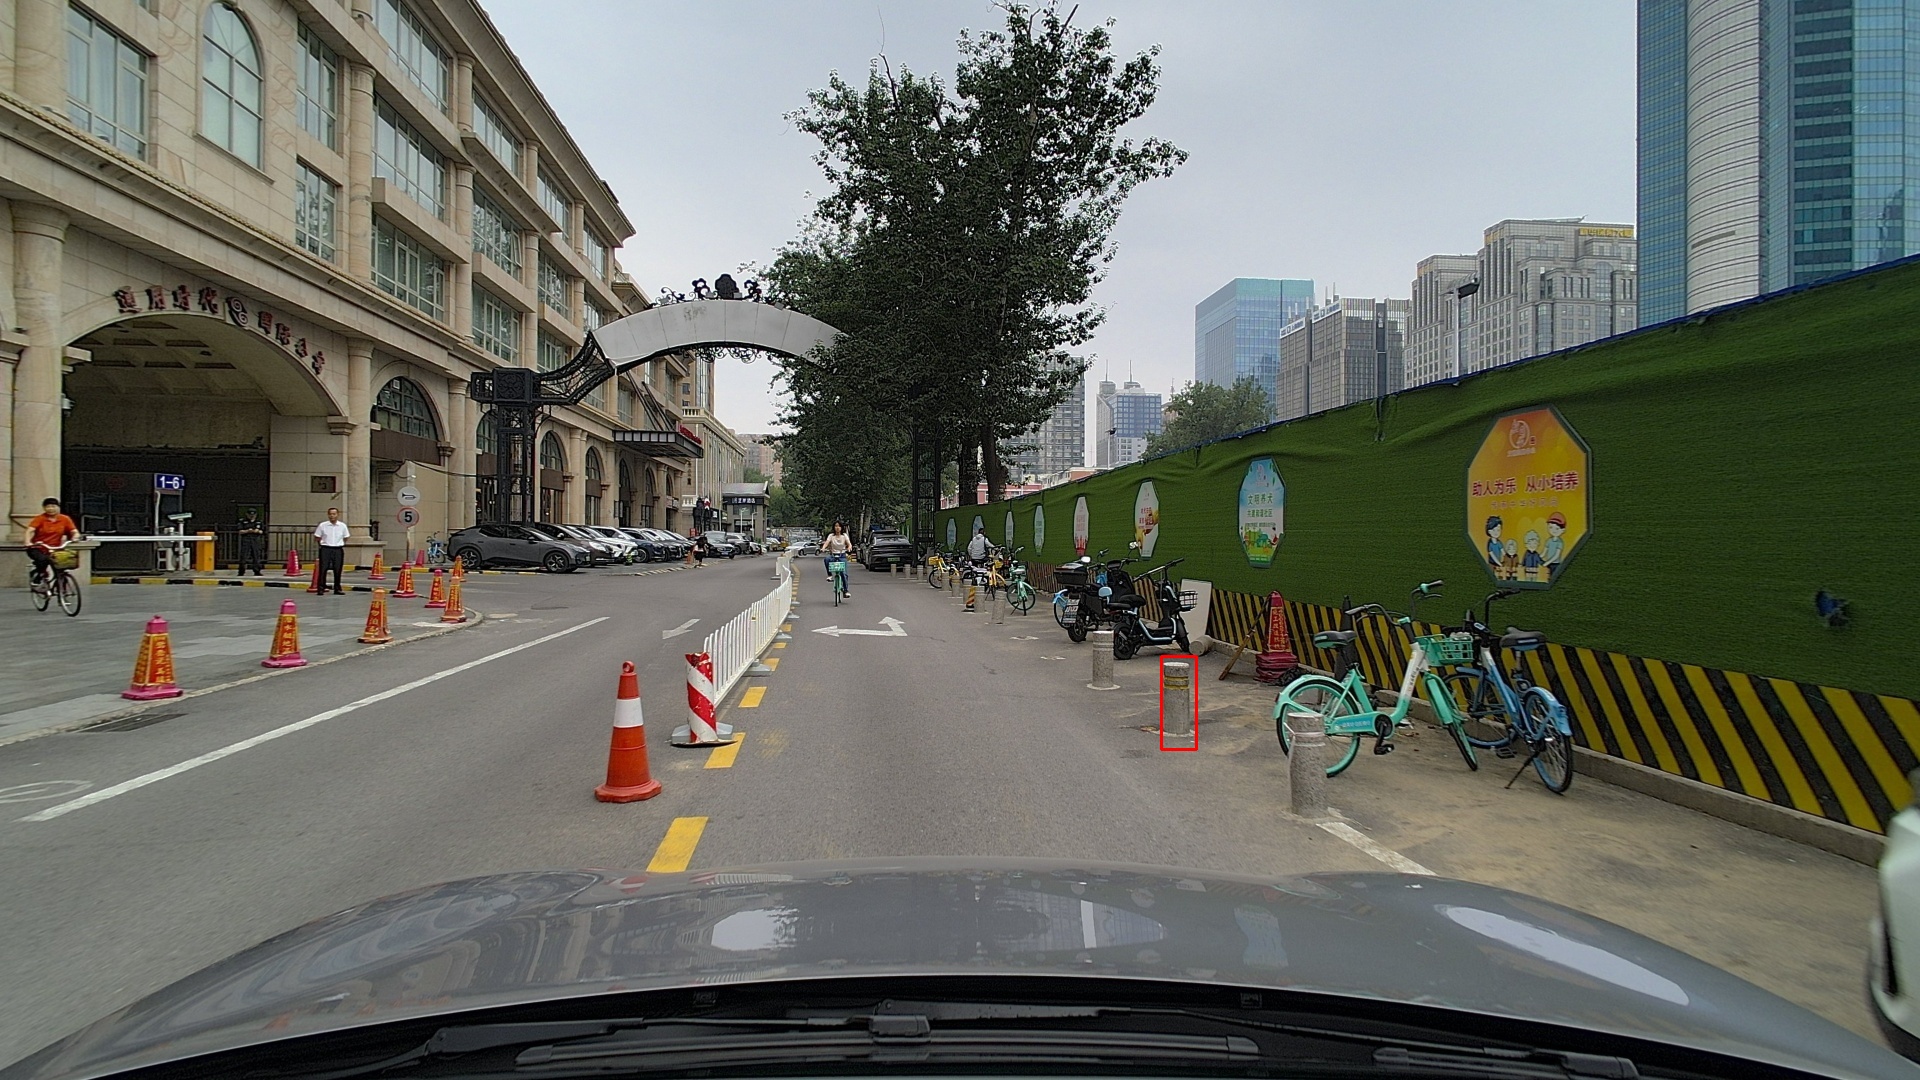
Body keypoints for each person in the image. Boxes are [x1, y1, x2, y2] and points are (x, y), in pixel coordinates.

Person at [23, 498, 80, 586]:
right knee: (43, 560)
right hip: (38, 547)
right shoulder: (40, 519)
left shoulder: (65, 519)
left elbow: (74, 531)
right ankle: (39, 575)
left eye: (53, 506)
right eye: (48, 506)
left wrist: (75, 537)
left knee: (62, 564)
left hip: (55, 547)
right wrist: (28, 542)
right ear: (44, 508)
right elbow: (30, 530)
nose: (50, 509)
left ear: (58, 507)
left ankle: (61, 586)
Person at [313, 507, 349, 594]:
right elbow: (317, 537)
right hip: (326, 548)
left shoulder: (342, 526)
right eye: (330, 514)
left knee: (338, 569)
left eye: (334, 514)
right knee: (323, 568)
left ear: (338, 515)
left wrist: (339, 543)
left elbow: (346, 537)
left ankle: (337, 588)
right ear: (328, 515)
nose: (332, 516)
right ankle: (321, 588)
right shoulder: (322, 525)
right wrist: (322, 544)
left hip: (338, 549)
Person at [821, 522, 853, 598]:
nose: (837, 528)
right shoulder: (831, 536)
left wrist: (849, 547)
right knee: (827, 559)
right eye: (836, 526)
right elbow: (827, 542)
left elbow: (849, 544)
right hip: (833, 555)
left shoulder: (844, 535)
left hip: (842, 556)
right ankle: (830, 575)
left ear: (841, 528)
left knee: (843, 573)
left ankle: (845, 590)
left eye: (839, 526)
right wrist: (823, 548)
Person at [237, 507, 267, 576]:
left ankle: (257, 571)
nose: (252, 516)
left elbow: (262, 531)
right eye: (250, 515)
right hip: (246, 540)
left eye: (253, 515)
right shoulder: (243, 521)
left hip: (255, 540)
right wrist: (248, 531)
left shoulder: (259, 522)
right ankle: (241, 571)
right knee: (244, 556)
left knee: (256, 556)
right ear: (247, 514)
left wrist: (257, 531)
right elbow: (240, 531)